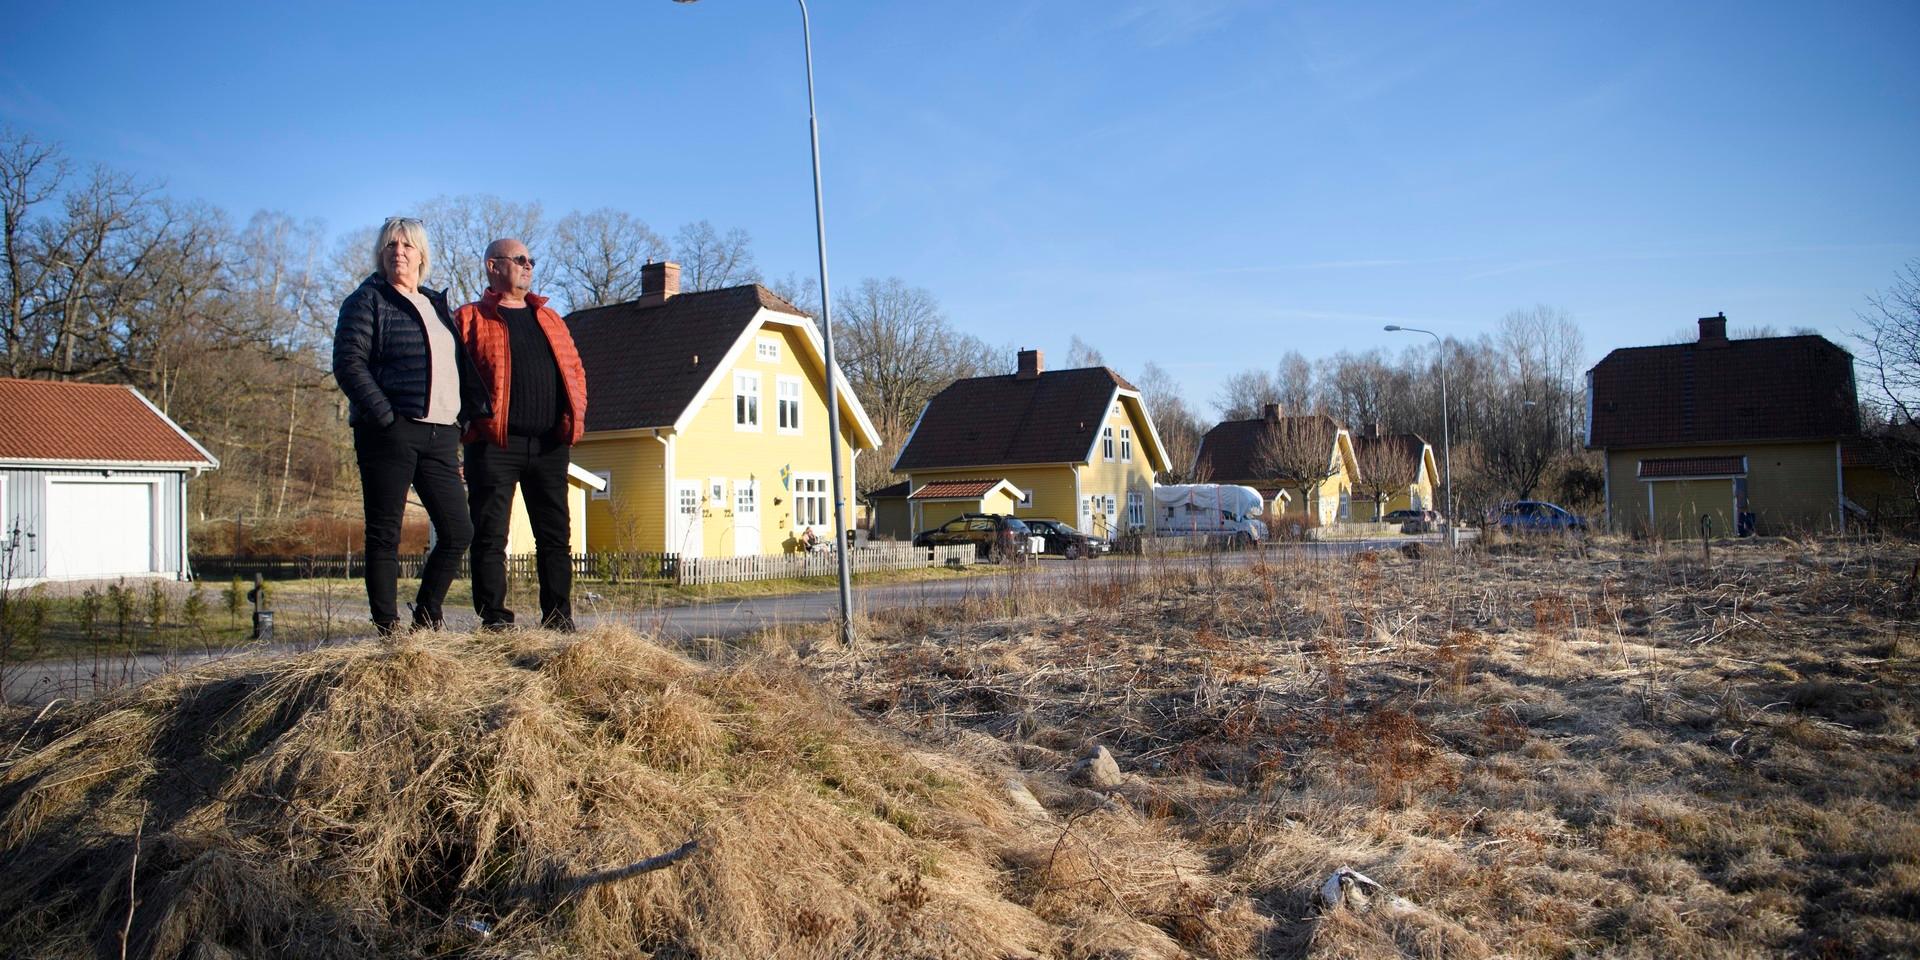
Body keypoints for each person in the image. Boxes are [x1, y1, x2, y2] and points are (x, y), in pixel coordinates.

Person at [332, 217, 490, 636]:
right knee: (385, 532)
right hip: (389, 431)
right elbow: (349, 364)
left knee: (459, 529)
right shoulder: (366, 301)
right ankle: (388, 628)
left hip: (441, 434)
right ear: (380, 255)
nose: (398, 252)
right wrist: (385, 416)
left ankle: (426, 612)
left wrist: (462, 419)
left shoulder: (436, 305)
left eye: (406, 246)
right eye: (390, 246)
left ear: (422, 256)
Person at [453, 238, 588, 631]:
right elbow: (455, 378)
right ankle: (495, 620)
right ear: (494, 267)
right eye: (520, 260)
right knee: (491, 537)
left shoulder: (551, 319)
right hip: (494, 444)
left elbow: (576, 371)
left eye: (531, 260)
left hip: (549, 444)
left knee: (555, 538)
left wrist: (574, 414)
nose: (528, 266)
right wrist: (467, 425)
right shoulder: (469, 318)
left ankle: (559, 620)